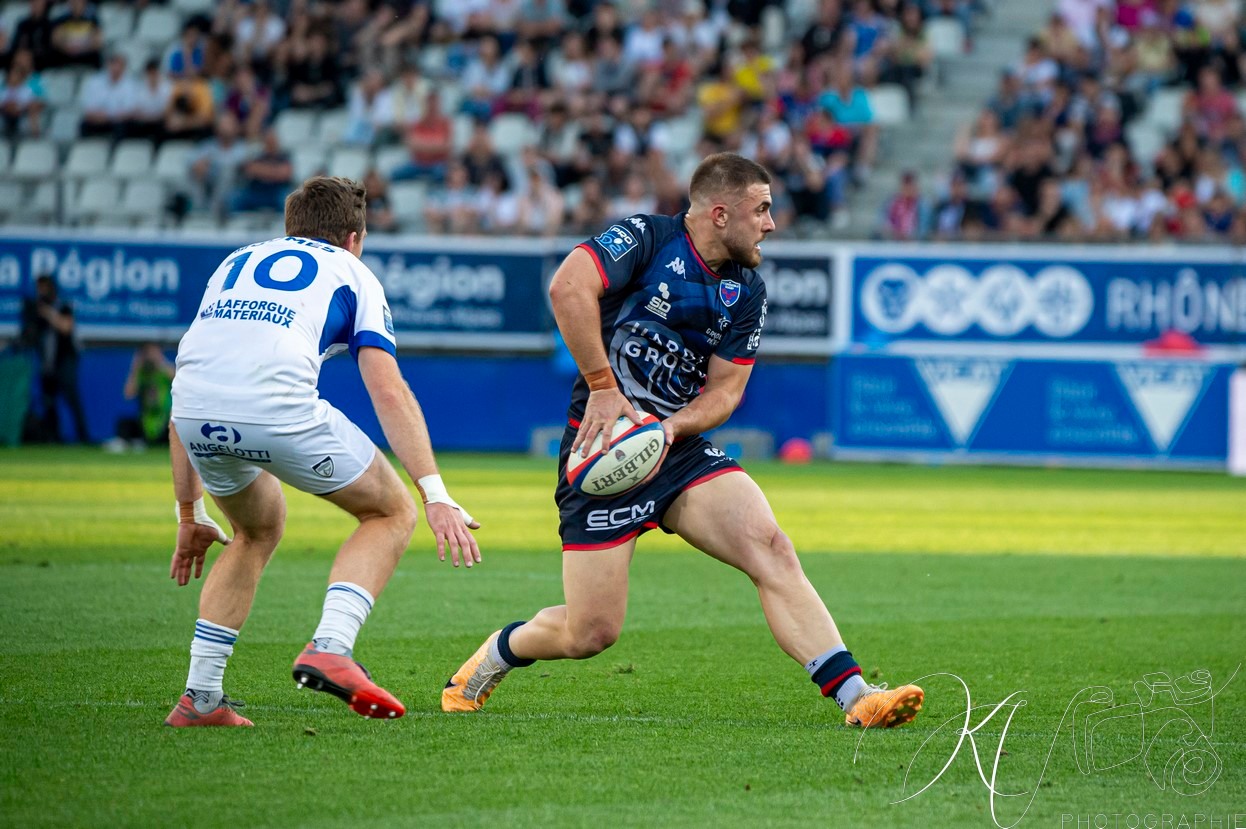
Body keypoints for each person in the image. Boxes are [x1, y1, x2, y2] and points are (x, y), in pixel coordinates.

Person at [440, 153, 924, 729]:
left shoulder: (746, 291)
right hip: (602, 454)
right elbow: (568, 286)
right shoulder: (646, 238)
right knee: (590, 633)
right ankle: (497, 653)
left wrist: (670, 428)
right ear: (720, 214)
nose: (771, 223)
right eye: (761, 209)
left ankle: (857, 697)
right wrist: (601, 385)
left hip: (677, 450)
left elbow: (726, 392)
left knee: (771, 547)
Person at [164, 176, 480, 727]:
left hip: (192, 413)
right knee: (391, 511)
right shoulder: (354, 273)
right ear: (354, 237)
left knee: (256, 530)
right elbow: (387, 389)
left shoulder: (236, 261)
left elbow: (195, 376)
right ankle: (332, 646)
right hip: (275, 409)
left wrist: (189, 513)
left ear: (290, 227)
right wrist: (435, 493)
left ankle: (201, 698)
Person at [19, 274, 89, 444]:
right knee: (48, 401)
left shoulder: (62, 306)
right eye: (38, 288)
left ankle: (83, 436)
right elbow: (28, 335)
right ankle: (53, 437)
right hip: (47, 363)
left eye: (44, 287)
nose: (41, 292)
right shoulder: (35, 309)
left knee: (72, 399)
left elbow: (66, 327)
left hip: (66, 360)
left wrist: (47, 312)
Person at [107, 342, 175, 452]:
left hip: (164, 420)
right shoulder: (141, 373)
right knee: (124, 423)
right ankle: (134, 441)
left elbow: (177, 378)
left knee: (175, 428)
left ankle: (139, 441)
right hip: (145, 420)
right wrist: (135, 367)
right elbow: (128, 394)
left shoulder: (164, 372)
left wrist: (160, 361)